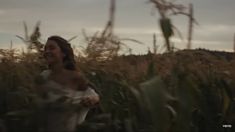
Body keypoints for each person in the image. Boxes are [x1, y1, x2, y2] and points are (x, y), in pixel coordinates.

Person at [35, 35, 99, 132]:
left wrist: (91, 100)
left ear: (63, 53)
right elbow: (38, 104)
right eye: (45, 49)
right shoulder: (44, 76)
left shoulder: (75, 77)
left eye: (52, 48)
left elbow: (93, 94)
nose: (47, 51)